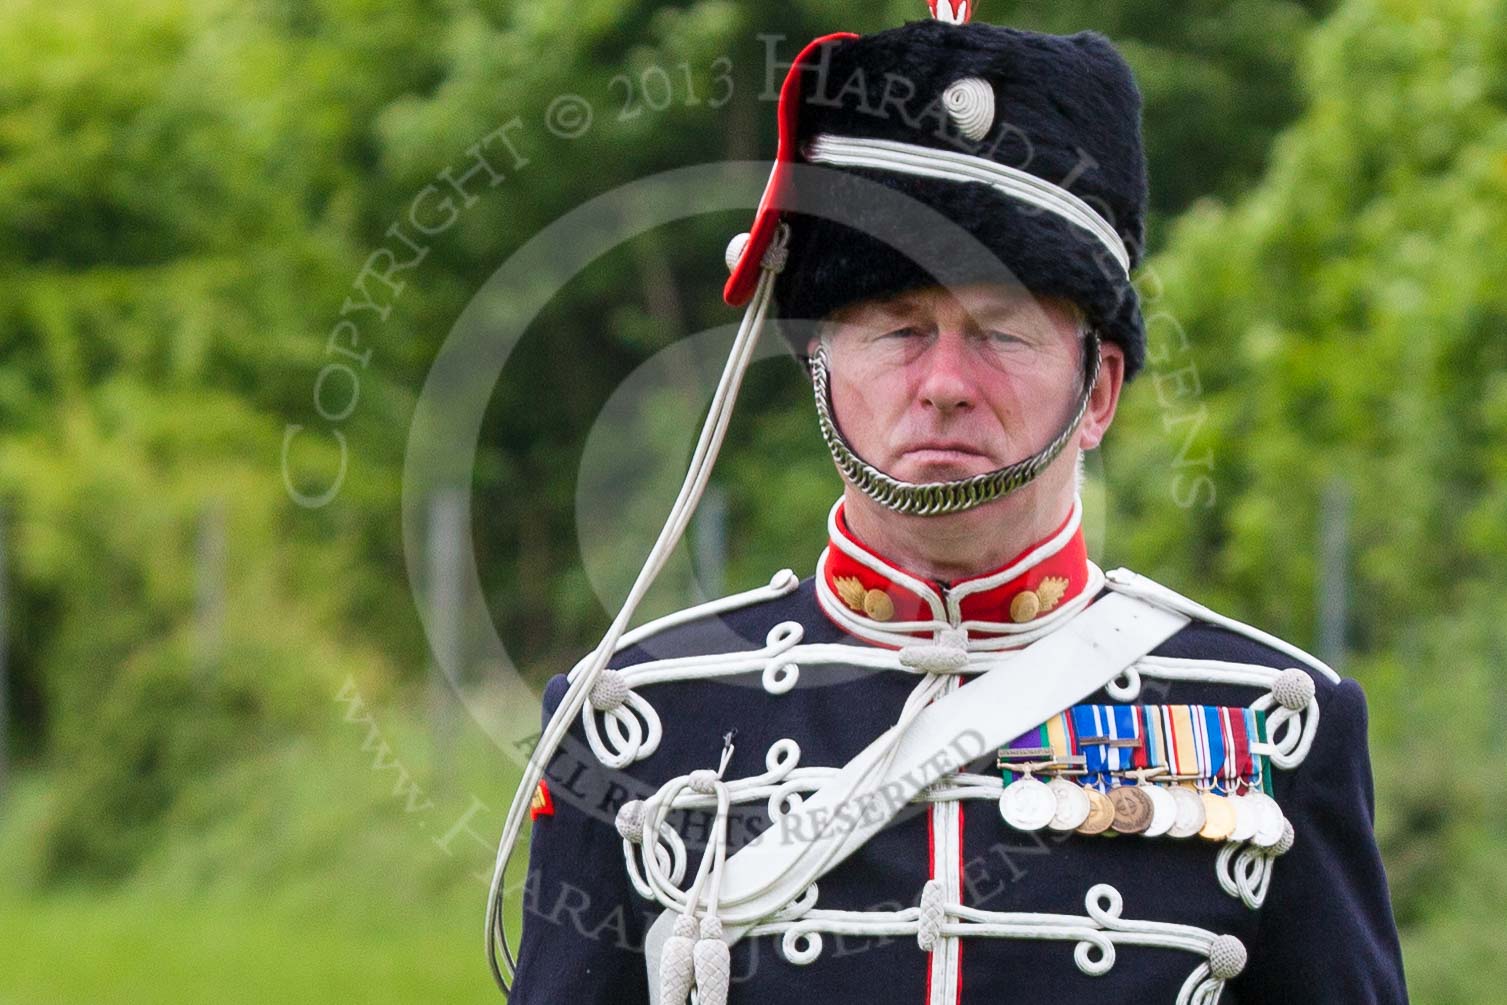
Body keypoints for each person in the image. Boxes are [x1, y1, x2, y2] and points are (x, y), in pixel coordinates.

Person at [486, 5, 1409, 1003]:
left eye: (1000, 333)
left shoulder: (1272, 723)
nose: (944, 381)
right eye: (897, 328)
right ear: (821, 369)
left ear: (1096, 394)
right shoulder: (636, 717)